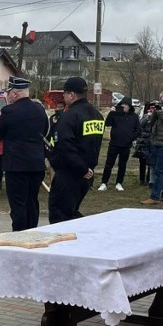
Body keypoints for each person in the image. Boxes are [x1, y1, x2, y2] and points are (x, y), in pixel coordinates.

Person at [0, 76, 49, 231]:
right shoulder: (40, 109)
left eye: (9, 93)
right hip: (36, 164)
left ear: (14, 94)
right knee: (32, 201)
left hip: (17, 166)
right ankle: (33, 230)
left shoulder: (9, 111)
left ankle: (19, 234)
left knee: (18, 204)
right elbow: (45, 132)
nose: (8, 96)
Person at [48, 77, 104, 224]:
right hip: (86, 175)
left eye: (65, 94)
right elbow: (93, 146)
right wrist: (87, 169)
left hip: (69, 174)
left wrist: (82, 168)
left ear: (72, 95)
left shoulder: (69, 117)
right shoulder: (97, 115)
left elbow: (66, 148)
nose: (64, 98)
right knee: (72, 213)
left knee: (60, 218)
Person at [97, 96, 141, 192]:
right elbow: (107, 123)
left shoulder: (134, 117)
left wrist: (131, 137)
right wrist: (111, 113)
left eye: (125, 105)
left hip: (126, 145)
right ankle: (104, 183)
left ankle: (119, 183)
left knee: (122, 165)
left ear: (129, 106)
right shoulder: (116, 114)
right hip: (114, 143)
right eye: (122, 104)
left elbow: (138, 130)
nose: (123, 106)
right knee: (109, 164)